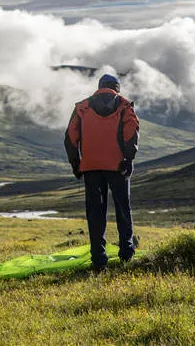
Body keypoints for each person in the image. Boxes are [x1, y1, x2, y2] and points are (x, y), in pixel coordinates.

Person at [64, 73, 139, 271]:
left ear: (99, 86)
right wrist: (128, 160)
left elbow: (71, 138)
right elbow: (131, 133)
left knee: (95, 212)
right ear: (117, 88)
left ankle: (98, 259)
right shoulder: (124, 106)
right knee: (123, 209)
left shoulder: (82, 107)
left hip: (91, 167)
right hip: (118, 167)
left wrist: (76, 164)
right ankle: (126, 253)